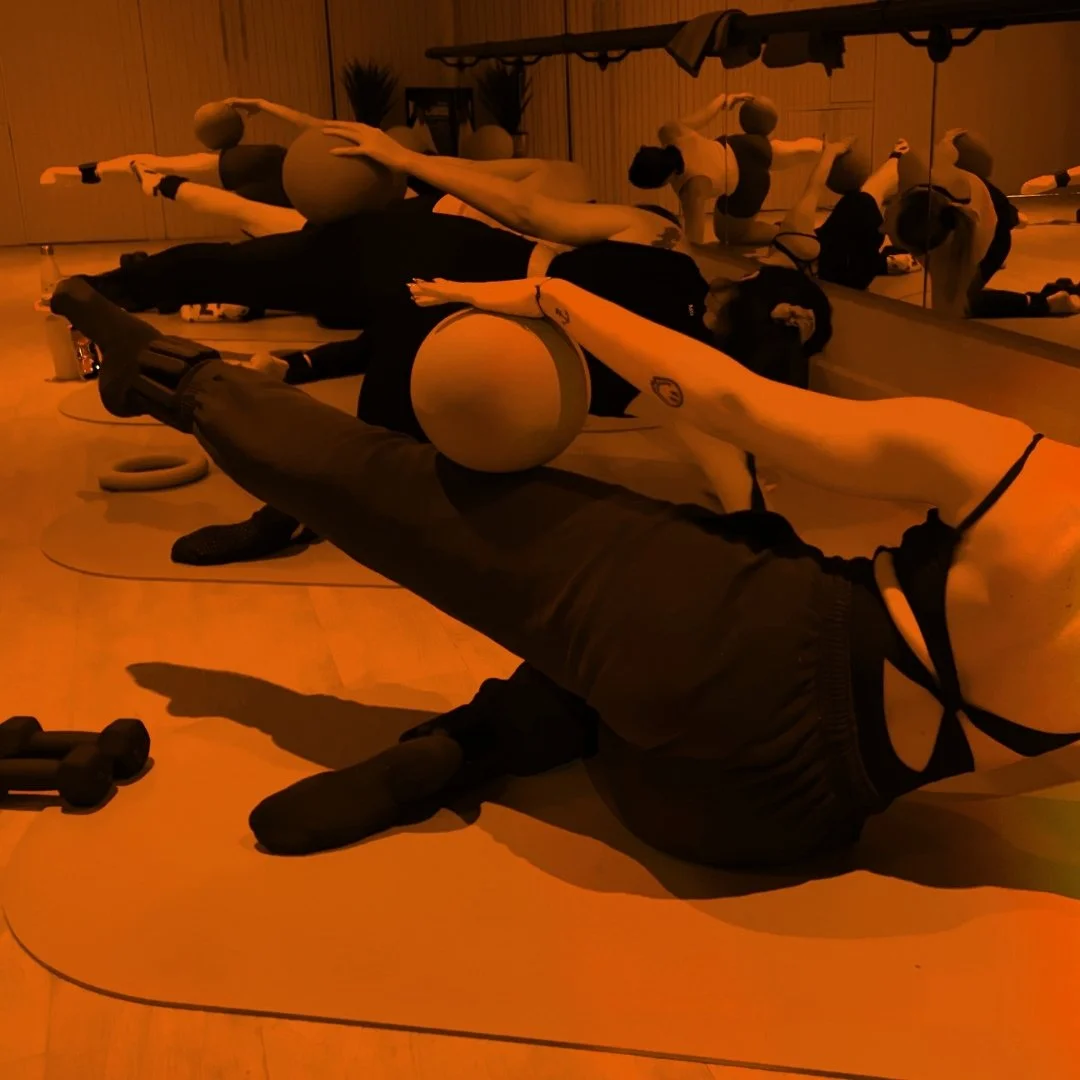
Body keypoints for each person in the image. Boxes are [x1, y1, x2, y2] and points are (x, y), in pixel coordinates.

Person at [51, 274, 1080, 864]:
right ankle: (484, 742)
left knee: (403, 492)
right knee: (744, 556)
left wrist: (554, 294)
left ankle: (162, 370)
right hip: (756, 828)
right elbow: (1018, 787)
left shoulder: (1035, 474)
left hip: (733, 655)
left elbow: (730, 402)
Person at [79, 120, 833, 565]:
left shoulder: (685, 371)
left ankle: (288, 514)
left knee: (379, 416)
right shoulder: (657, 237)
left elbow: (731, 473)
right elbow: (525, 206)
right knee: (255, 267)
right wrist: (403, 161)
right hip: (447, 256)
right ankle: (112, 290)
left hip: (471, 325)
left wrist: (764, 539)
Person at [886, 129, 1080, 319]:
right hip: (961, 241)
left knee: (960, 302)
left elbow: (1012, 218)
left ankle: (1045, 304)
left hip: (979, 242)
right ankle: (1046, 301)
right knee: (955, 299)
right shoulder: (952, 186)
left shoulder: (971, 188)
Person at [628, 91, 824, 246]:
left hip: (748, 183)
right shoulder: (669, 131)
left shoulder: (691, 189)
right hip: (742, 145)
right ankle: (828, 149)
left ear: (661, 182)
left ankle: (788, 233)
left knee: (731, 235)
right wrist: (726, 99)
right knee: (787, 151)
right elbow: (704, 115)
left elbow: (694, 242)